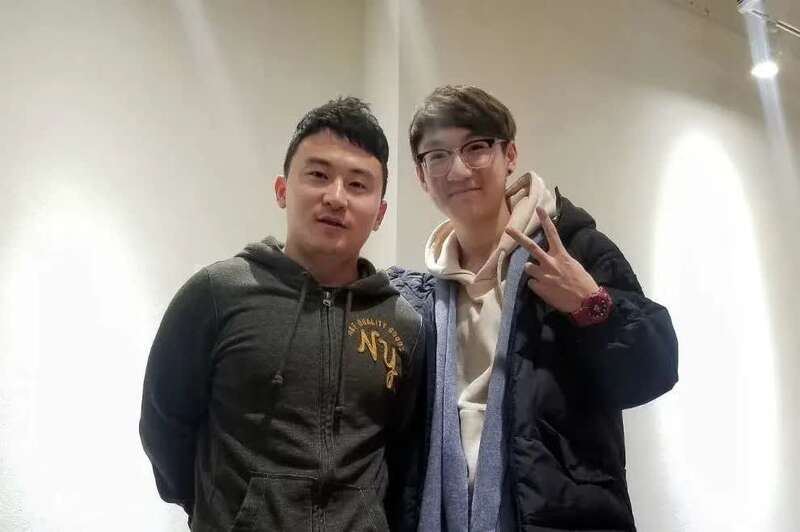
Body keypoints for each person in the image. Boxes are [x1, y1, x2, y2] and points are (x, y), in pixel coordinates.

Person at [389, 85, 679, 531]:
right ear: (422, 176)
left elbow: (653, 370)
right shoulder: (423, 297)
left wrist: (590, 305)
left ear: (510, 155)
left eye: (476, 147)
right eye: (438, 155)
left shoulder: (573, 250)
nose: (459, 169)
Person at [140, 97, 425, 531]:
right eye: (318, 175)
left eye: (357, 185)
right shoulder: (217, 294)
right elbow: (164, 425)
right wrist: (218, 512)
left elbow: (401, 452)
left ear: (380, 213)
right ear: (282, 190)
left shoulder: (401, 324)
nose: (336, 197)